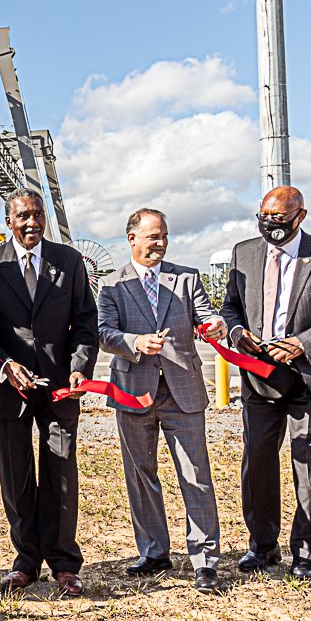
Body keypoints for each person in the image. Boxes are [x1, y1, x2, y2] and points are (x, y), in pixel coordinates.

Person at [220, 185, 311, 579]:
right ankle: (262, 547)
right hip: (260, 377)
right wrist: (237, 333)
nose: (271, 226)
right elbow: (230, 305)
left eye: (279, 219)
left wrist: (303, 344)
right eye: (264, 218)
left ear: (300, 216)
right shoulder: (243, 253)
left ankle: (307, 554)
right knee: (258, 465)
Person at [0, 187, 99, 597]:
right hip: (10, 389)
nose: (31, 223)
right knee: (16, 476)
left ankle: (64, 562)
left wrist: (79, 371)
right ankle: (25, 561)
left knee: (61, 472)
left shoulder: (69, 261)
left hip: (61, 388)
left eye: (37, 215)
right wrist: (5, 367)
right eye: (23, 216)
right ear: (8, 221)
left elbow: (84, 323)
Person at [97, 208, 227, 594]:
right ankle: (154, 552)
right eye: (153, 237)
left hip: (182, 392)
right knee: (141, 476)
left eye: (164, 236)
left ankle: (205, 561)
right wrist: (134, 343)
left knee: (196, 477)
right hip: (132, 391)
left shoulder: (186, 279)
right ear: (132, 239)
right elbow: (103, 333)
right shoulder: (110, 284)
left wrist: (214, 325)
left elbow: (205, 317)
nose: (160, 243)